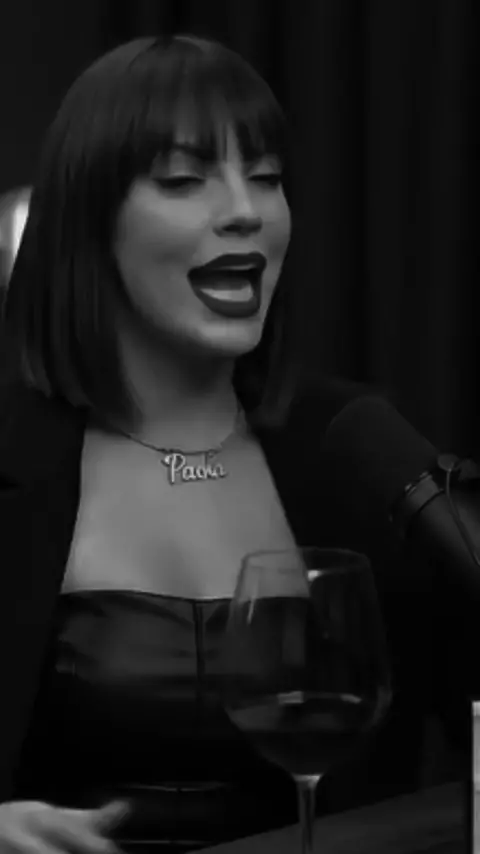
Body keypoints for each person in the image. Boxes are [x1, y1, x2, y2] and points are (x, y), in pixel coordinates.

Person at [0, 33, 468, 854]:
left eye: (266, 176)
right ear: (88, 223)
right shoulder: (12, 453)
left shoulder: (356, 449)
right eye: (184, 181)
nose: (245, 210)